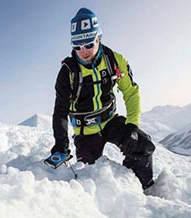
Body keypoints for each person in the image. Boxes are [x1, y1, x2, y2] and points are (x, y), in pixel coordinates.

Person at [50, 7, 156, 190]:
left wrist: (131, 126)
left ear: (99, 38)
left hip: (111, 121)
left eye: (89, 44)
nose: (83, 51)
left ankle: (141, 191)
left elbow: (131, 93)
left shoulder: (114, 60)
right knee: (91, 179)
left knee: (142, 145)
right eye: (77, 46)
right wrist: (61, 144)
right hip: (86, 133)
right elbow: (60, 111)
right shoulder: (67, 72)